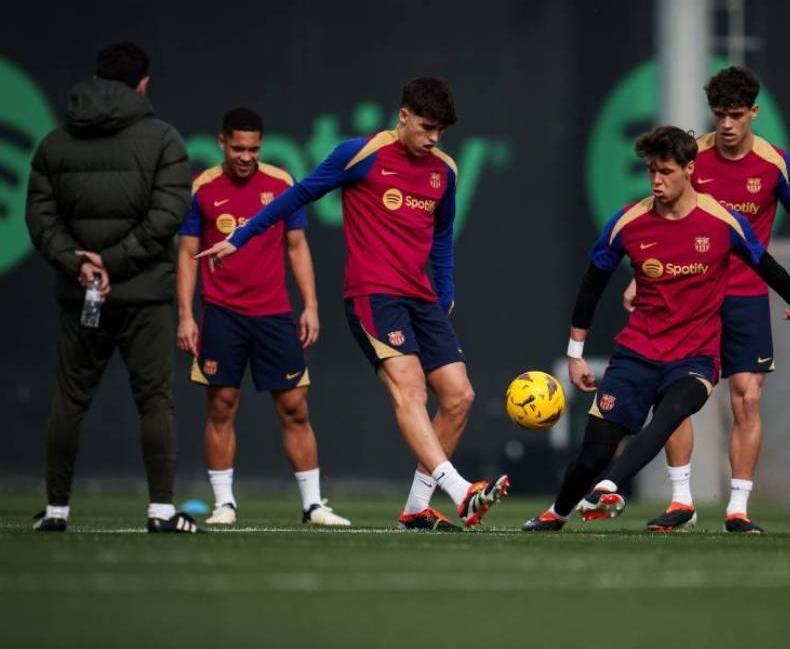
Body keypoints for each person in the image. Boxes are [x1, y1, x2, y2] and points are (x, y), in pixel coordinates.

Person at [195, 77, 506, 530]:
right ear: (403, 116)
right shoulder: (359, 155)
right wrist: (240, 236)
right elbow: (298, 195)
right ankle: (460, 490)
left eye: (441, 130)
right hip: (373, 293)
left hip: (421, 297)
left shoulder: (446, 170)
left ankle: (417, 508)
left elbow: (442, 237)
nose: (434, 137)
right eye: (426, 126)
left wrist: (446, 292)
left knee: (460, 396)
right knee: (411, 390)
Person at [521, 126, 790, 532]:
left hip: (695, 358)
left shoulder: (722, 222)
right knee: (593, 453)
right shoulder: (629, 221)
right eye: (651, 172)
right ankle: (557, 513)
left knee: (669, 414)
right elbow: (593, 283)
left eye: (665, 171)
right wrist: (575, 355)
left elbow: (771, 271)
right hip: (635, 355)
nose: (656, 181)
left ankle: (610, 485)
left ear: (689, 169)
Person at [622, 67, 790, 534]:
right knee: (674, 396)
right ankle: (682, 501)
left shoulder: (775, 163)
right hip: (687, 295)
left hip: (747, 296)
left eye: (735, 114)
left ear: (753, 112)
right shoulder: (693, 158)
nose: (726, 124)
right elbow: (655, 218)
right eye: (718, 114)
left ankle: (738, 509)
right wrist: (637, 279)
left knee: (747, 399)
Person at [25, 42, 199, 533]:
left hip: (82, 291)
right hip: (142, 294)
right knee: (154, 400)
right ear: (143, 84)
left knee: (69, 399)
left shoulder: (54, 144)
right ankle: (162, 511)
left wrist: (78, 263)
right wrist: (115, 262)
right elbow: (167, 217)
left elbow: (40, 217)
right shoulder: (164, 140)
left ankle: (56, 510)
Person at [177, 108, 350, 527]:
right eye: (238, 147)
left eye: (253, 148)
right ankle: (224, 504)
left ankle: (312, 505)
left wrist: (310, 305)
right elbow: (186, 254)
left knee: (295, 408)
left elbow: (296, 247)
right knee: (221, 406)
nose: (246, 156)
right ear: (222, 143)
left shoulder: (281, 183)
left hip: (273, 313)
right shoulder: (202, 188)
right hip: (221, 313)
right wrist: (185, 315)